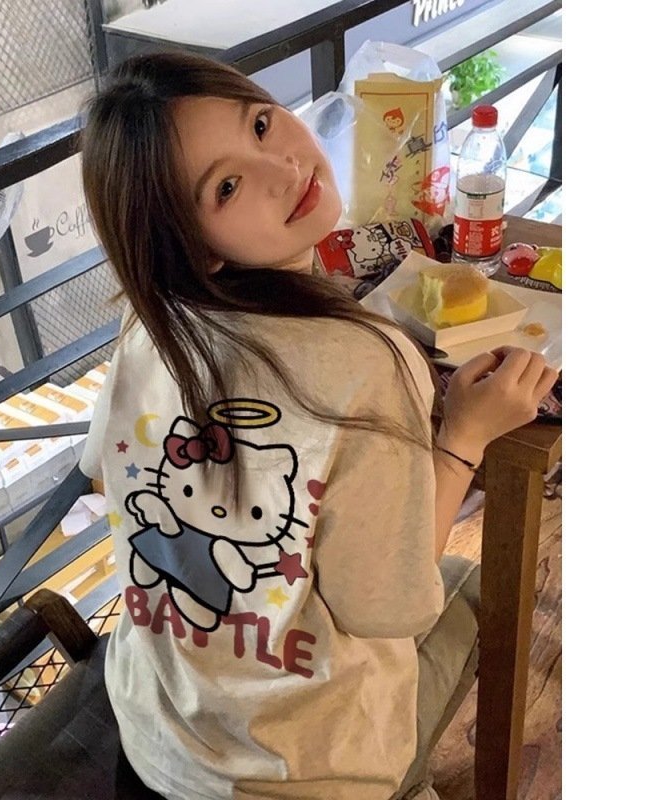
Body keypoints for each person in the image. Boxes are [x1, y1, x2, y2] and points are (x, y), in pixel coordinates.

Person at [78, 51, 558, 800]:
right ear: (193, 244)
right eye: (227, 186)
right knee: (466, 588)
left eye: (260, 124)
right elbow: (389, 605)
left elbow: (106, 476)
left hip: (155, 740)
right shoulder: (368, 358)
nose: (282, 168)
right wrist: (463, 437)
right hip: (300, 774)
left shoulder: (149, 324)